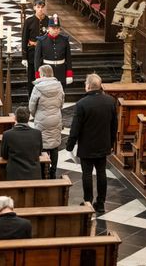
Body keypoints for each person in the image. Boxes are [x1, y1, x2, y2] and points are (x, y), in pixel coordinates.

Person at [66, 73, 117, 213]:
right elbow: (114, 126)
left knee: (86, 174)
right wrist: (112, 143)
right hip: (103, 143)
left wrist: (70, 145)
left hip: (87, 146)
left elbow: (75, 128)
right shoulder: (110, 101)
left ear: (88, 86)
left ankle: (88, 200)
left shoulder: (82, 104)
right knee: (102, 173)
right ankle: (100, 203)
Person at [29, 65, 64, 179]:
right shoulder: (59, 85)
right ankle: (53, 171)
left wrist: (36, 115)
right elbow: (61, 103)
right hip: (55, 118)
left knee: (42, 145)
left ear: (42, 74)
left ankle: (43, 171)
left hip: (41, 119)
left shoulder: (38, 88)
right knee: (54, 145)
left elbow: (32, 106)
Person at [1, 106, 43, 180]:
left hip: (15, 175)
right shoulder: (37, 133)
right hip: (33, 175)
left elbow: (4, 155)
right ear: (28, 118)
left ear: (15, 118)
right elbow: (39, 153)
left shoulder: (7, 134)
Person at [34, 14, 73, 88]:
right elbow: (37, 60)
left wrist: (69, 74)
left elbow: (68, 58)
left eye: (58, 28)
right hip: (46, 72)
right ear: (48, 28)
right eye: (53, 28)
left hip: (61, 71)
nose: (56, 30)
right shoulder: (41, 41)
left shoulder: (64, 40)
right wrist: (37, 75)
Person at [22, 0, 49, 97]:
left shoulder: (48, 21)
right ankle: (31, 97)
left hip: (44, 54)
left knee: (45, 77)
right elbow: (24, 39)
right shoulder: (29, 21)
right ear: (34, 7)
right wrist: (24, 56)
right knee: (32, 77)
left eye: (42, 7)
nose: (40, 9)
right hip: (32, 53)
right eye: (38, 7)